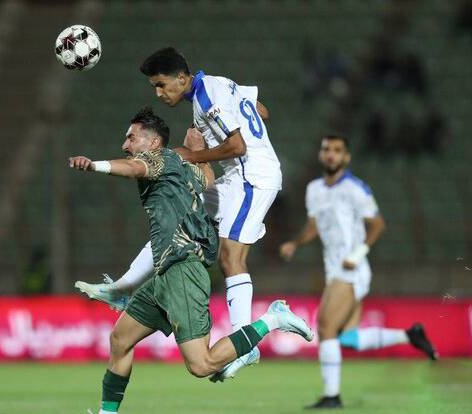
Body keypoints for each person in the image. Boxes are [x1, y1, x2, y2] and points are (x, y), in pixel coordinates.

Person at [70, 107, 312, 414]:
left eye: (131, 137)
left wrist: (94, 165)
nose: (125, 144)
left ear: (153, 141)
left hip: (182, 270)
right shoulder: (183, 166)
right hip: (165, 273)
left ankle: (273, 318)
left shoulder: (158, 159)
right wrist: (198, 150)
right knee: (120, 339)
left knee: (202, 364)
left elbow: (133, 168)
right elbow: (208, 180)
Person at [76, 47, 282, 381]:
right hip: (236, 176)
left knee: (231, 258)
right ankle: (125, 287)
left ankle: (246, 341)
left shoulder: (209, 95)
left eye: (161, 85)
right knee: (181, 215)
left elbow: (238, 147)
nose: (159, 93)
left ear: (182, 78)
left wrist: (193, 154)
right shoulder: (218, 86)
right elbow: (262, 110)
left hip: (252, 176)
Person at [279, 134, 438, 409]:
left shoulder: (355, 188)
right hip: (334, 270)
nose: (330, 154)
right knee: (348, 339)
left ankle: (332, 396)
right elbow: (313, 226)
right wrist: (296, 242)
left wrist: (357, 254)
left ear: (346, 157)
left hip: (351, 269)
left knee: (326, 327)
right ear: (321, 154)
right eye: (326, 149)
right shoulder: (314, 189)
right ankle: (410, 335)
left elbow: (377, 224)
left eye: (337, 150)